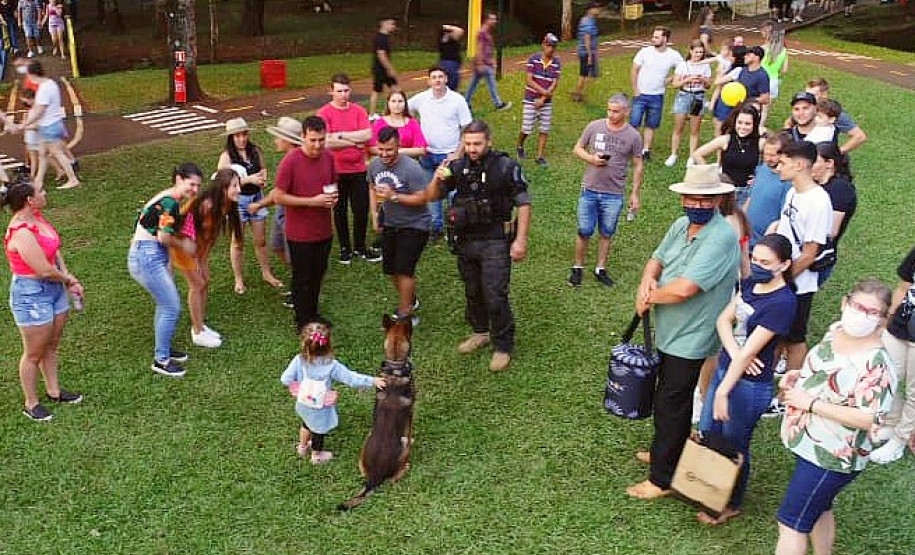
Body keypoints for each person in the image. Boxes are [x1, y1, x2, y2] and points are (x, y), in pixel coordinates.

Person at [627, 164, 740, 500]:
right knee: (666, 398)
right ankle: (668, 450)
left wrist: (651, 297)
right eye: (692, 199)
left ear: (719, 201)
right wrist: (646, 281)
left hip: (691, 336)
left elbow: (686, 289)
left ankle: (661, 479)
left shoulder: (720, 237)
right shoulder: (681, 225)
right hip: (668, 329)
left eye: (706, 200)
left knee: (672, 402)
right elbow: (656, 259)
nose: (698, 205)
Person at [775, 279, 896, 555]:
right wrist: (801, 378)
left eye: (872, 312)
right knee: (820, 507)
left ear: (882, 320)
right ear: (845, 303)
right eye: (858, 306)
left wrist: (811, 402)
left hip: (832, 456)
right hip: (810, 441)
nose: (862, 315)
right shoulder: (837, 331)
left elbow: (869, 418)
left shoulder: (877, 363)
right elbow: (827, 369)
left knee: (791, 524)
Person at [398, 120, 530, 372]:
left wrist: (520, 239)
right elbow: (432, 196)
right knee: (472, 290)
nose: (472, 148)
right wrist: (437, 179)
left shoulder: (505, 166)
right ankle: (480, 331)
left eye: (477, 143)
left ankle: (503, 345)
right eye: (468, 143)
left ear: (488, 141)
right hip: (466, 239)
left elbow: (523, 202)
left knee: (494, 294)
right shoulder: (456, 167)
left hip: (494, 239)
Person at [696, 233, 797, 524]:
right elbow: (723, 320)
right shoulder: (752, 283)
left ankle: (731, 502)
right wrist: (737, 351)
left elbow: (748, 353)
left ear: (784, 264)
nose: (758, 265)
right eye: (755, 259)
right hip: (728, 369)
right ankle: (705, 487)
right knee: (708, 431)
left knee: (735, 445)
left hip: (748, 387)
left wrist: (723, 391)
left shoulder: (782, 303)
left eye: (767, 262)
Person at [2, 179, 83, 421]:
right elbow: (44, 270)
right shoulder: (21, 233)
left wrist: (69, 277)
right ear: (29, 200)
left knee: (52, 343)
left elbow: (55, 251)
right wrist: (68, 280)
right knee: (33, 353)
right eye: (41, 191)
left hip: (54, 288)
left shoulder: (37, 218)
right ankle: (31, 403)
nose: (45, 193)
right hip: (32, 294)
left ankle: (54, 391)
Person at [128, 163, 201, 378]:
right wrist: (184, 246)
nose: (194, 190)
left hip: (149, 252)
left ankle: (164, 348)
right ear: (179, 179)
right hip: (147, 255)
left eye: (197, 186)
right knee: (171, 306)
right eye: (191, 184)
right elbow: (163, 237)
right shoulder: (170, 203)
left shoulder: (168, 198)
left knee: (166, 304)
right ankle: (161, 360)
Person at [280, 321, 386, 465]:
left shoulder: (298, 360)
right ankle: (317, 455)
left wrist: (297, 388)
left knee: (306, 423)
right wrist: (372, 380)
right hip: (320, 407)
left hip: (304, 403)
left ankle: (302, 447)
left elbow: (285, 379)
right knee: (318, 431)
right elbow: (351, 378)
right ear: (328, 345)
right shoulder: (331, 365)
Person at [569, 93, 643, 288]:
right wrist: (591, 159)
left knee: (606, 232)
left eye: (616, 111)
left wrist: (635, 193)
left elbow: (638, 165)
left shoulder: (633, 136)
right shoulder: (594, 126)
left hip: (614, 193)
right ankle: (578, 267)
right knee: (584, 230)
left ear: (627, 112)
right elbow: (577, 148)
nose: (611, 115)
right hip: (590, 189)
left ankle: (600, 268)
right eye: (609, 110)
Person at [773, 140, 832, 375]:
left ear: (798, 165)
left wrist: (782, 279)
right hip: (782, 275)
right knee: (777, 334)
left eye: (783, 163)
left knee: (795, 338)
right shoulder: (792, 193)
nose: (778, 167)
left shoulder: (818, 201)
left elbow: (809, 254)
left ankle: (789, 390)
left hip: (798, 283)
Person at [273, 116, 337, 331]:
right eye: (313, 140)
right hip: (300, 233)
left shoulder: (328, 157)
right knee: (302, 278)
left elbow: (331, 183)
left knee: (318, 275)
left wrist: (333, 196)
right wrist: (312, 202)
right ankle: (303, 321)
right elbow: (278, 196)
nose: (318, 145)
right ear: (302, 137)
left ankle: (313, 314)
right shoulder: (290, 161)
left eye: (321, 140)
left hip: (323, 230)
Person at [174, 168, 242, 349]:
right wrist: (196, 259)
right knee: (197, 284)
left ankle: (201, 325)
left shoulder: (226, 204)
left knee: (205, 281)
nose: (239, 190)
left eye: (238, 185)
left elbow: (210, 235)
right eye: (234, 186)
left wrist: (203, 258)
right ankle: (197, 332)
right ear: (223, 188)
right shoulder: (207, 205)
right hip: (184, 246)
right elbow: (187, 230)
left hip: (199, 248)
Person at [316, 73, 380, 264]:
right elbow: (326, 141)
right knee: (340, 209)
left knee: (360, 209)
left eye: (346, 90)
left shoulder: (359, 111)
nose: (343, 95)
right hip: (335, 170)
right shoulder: (324, 113)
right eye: (339, 91)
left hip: (359, 169)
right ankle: (345, 248)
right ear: (331, 91)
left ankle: (360, 246)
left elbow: (367, 135)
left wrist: (341, 136)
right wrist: (353, 140)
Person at [369, 126, 431, 322]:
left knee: (404, 269)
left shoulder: (411, 168)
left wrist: (394, 196)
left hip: (415, 224)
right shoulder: (375, 165)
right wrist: (375, 213)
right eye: (381, 149)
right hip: (391, 223)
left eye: (389, 150)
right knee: (391, 269)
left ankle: (405, 314)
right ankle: (410, 298)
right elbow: (372, 186)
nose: (385, 154)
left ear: (399, 146)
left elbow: (422, 198)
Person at [216, 117, 282, 294]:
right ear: (231, 137)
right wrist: (248, 180)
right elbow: (223, 183)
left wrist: (263, 179)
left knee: (260, 240)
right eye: (237, 136)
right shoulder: (226, 157)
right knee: (237, 242)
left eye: (244, 134)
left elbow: (263, 168)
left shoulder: (255, 150)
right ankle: (238, 279)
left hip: (256, 198)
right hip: (238, 202)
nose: (242, 139)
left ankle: (266, 273)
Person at [409, 66, 473, 239]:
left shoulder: (457, 100)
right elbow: (405, 111)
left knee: (454, 194)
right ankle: (435, 227)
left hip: (450, 155)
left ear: (446, 79)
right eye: (433, 77)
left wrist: (458, 153)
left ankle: (455, 226)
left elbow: (467, 128)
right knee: (432, 192)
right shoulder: (421, 99)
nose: (437, 80)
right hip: (427, 155)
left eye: (440, 76)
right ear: (428, 80)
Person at [871, 246, 915, 464]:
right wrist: (887, 320)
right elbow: (903, 287)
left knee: (914, 392)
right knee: (889, 375)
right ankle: (891, 422)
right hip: (900, 326)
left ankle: (900, 438)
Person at [10, 61, 79, 190]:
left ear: (32, 74)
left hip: (49, 126)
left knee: (56, 153)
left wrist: (23, 125)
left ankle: (73, 179)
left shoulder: (44, 89)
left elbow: (39, 111)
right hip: (50, 125)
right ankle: (38, 182)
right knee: (42, 154)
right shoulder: (50, 84)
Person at [248, 116, 305, 269]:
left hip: (292, 216)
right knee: (277, 245)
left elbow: (278, 195)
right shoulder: (288, 159)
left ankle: (303, 280)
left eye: (278, 137)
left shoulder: (293, 162)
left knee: (295, 255)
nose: (275, 141)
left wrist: (258, 204)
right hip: (283, 212)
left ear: (288, 140)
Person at [691, 104, 764, 207]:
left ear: (754, 124)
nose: (742, 127)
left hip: (748, 194)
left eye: (748, 124)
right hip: (726, 191)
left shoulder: (760, 143)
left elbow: (776, 161)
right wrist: (712, 174)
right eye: (740, 122)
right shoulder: (726, 140)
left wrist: (761, 176)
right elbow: (698, 154)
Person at [629, 26, 683, 161]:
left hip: (657, 95)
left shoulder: (673, 55)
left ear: (665, 39)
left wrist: (670, 79)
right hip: (640, 94)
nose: (653, 39)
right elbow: (634, 69)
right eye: (653, 37)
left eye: (657, 37)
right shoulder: (644, 52)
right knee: (634, 123)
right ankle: (632, 149)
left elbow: (683, 68)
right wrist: (635, 89)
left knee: (651, 124)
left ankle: (646, 150)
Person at [811, 142, 856, 286]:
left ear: (829, 163)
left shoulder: (840, 189)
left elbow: (831, 230)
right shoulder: (816, 183)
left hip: (818, 257)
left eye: (814, 161)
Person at [516, 33, 561, 167]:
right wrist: (544, 93)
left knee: (544, 129)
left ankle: (540, 156)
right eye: (548, 46)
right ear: (543, 45)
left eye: (553, 47)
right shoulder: (534, 59)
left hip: (546, 102)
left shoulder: (556, 63)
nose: (551, 49)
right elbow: (529, 80)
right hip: (531, 99)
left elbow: (554, 82)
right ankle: (519, 144)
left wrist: (544, 98)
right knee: (527, 128)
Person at [664, 39, 712, 168]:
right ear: (691, 51)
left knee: (694, 129)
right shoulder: (683, 65)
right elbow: (675, 84)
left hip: (698, 97)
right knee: (678, 127)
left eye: (701, 52)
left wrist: (703, 79)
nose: (699, 55)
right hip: (683, 96)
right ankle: (673, 154)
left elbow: (708, 85)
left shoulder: (705, 66)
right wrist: (688, 80)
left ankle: (692, 156)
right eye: (696, 52)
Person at [745, 133, 792, 246]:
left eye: (773, 155)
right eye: (765, 154)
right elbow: (751, 197)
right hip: (748, 237)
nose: (768, 159)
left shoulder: (787, 181)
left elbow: (784, 219)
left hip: (766, 242)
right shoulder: (762, 169)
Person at [804, 77, 868, 154]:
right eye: (806, 94)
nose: (807, 98)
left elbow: (860, 136)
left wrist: (837, 153)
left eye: (812, 95)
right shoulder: (803, 107)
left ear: (824, 94)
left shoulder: (833, 113)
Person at [464, 12, 512, 112]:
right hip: (484, 64)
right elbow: (479, 48)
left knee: (473, 83)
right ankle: (498, 104)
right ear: (486, 20)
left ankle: (465, 102)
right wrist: (480, 63)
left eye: (495, 19)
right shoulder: (482, 32)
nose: (495, 21)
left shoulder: (486, 32)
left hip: (485, 62)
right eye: (492, 19)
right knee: (491, 83)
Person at [369, 90, 427, 158]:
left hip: (408, 163)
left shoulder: (412, 123)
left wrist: (395, 151)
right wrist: (390, 152)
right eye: (393, 101)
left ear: (405, 103)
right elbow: (371, 148)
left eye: (400, 101)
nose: (397, 105)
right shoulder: (379, 123)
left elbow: (421, 149)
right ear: (388, 103)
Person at [368, 17, 399, 119]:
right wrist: (390, 69)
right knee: (380, 90)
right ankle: (373, 114)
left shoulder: (384, 37)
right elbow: (382, 55)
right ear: (383, 23)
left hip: (381, 69)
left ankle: (385, 111)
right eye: (390, 23)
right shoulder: (381, 38)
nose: (393, 26)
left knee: (393, 89)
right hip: (381, 69)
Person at [760, 22, 789, 127]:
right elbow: (785, 70)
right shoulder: (783, 51)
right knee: (765, 109)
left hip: (761, 79)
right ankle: (761, 127)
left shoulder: (763, 49)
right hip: (773, 81)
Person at [571, 1, 601, 103]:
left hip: (583, 50)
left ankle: (579, 93)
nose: (598, 10)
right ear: (590, 9)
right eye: (596, 8)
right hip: (587, 52)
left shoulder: (585, 20)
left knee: (586, 74)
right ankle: (578, 94)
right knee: (584, 74)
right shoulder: (589, 21)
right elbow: (587, 38)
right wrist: (589, 55)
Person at [437, 24, 464, 92]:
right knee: (451, 82)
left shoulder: (445, 39)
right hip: (450, 63)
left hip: (447, 62)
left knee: (448, 81)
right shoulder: (448, 38)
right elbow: (460, 31)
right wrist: (450, 27)